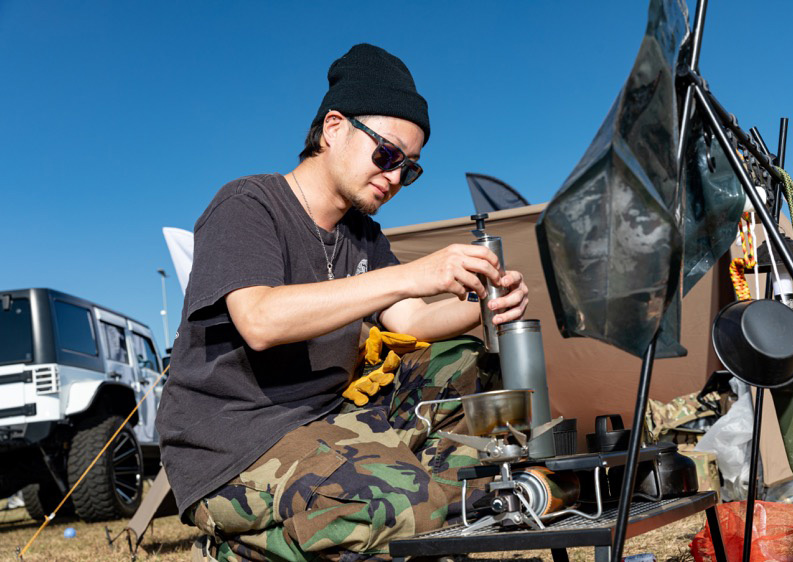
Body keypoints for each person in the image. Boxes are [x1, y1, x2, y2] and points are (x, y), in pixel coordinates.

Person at [156, 43, 529, 561]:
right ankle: (250, 548)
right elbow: (260, 319)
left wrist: (489, 303)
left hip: (326, 423)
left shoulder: (363, 236)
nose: (396, 177)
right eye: (388, 154)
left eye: (411, 168)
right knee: (402, 503)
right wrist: (413, 275)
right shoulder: (248, 204)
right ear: (334, 128)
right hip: (236, 443)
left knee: (462, 362)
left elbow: (414, 319)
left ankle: (418, 513)